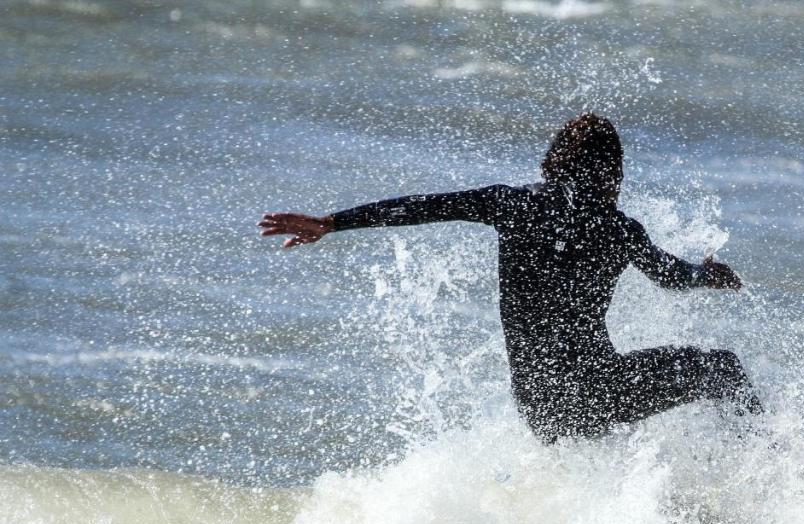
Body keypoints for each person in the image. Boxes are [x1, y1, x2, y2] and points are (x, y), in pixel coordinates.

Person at [258, 113, 762, 443]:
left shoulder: (513, 204)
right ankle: (776, 474)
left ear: (553, 162)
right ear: (613, 174)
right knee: (722, 369)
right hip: (597, 391)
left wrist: (333, 222)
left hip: (540, 404)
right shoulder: (618, 228)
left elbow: (421, 208)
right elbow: (671, 277)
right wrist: (708, 275)